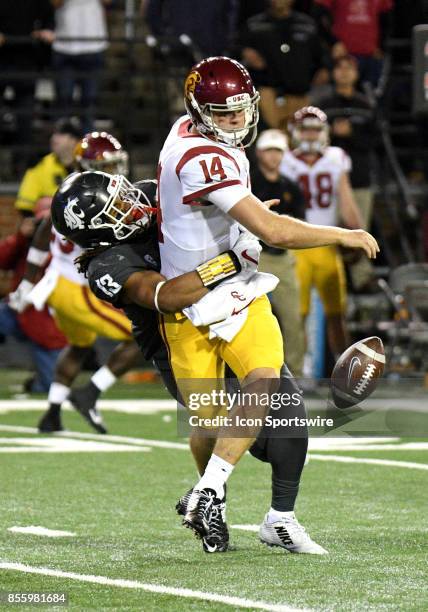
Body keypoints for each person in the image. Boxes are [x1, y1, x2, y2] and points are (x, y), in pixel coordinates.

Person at [156, 57, 378, 549]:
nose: (236, 120)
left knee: (264, 379)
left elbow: (210, 207)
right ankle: (213, 503)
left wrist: (239, 215)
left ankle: (211, 493)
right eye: (223, 112)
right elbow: (274, 232)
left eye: (241, 110)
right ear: (199, 109)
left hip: (239, 289)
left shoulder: (186, 131)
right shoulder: (202, 157)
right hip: (191, 299)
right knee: (209, 424)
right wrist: (342, 232)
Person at [49, 169, 322, 556]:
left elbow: (214, 204)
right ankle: (215, 502)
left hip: (232, 310)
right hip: (175, 338)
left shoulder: (148, 194)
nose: (133, 204)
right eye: (118, 207)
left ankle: (281, 518)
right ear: (98, 230)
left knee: (289, 417)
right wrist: (232, 259)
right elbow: (172, 295)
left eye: (124, 194)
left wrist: (247, 216)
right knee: (225, 427)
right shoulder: (106, 267)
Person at [10, 132, 139, 435]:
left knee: (79, 346)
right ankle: (89, 393)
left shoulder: (67, 190)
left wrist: (28, 285)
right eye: (108, 166)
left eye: (116, 164)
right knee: (141, 336)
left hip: (56, 284)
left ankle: (52, 414)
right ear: (88, 165)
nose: (115, 171)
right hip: (76, 289)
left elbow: (43, 232)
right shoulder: (93, 195)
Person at [280, 105, 363, 358]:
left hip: (328, 244)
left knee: (337, 313)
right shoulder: (284, 160)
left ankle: (344, 370)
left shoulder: (336, 157)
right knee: (297, 314)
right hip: (297, 244)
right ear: (296, 132)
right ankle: (293, 372)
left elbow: (346, 199)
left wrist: (359, 232)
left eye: (315, 131)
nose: (311, 136)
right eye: (305, 131)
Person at [316, 54, 376, 290]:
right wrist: (332, 132)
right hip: (328, 181)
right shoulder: (323, 105)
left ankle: (361, 280)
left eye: (348, 67)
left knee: (359, 229)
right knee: (329, 232)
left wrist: (351, 133)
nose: (343, 72)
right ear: (333, 72)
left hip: (358, 179)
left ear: (356, 73)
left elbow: (375, 142)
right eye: (339, 67)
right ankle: (329, 277)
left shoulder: (366, 105)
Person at [252, 129, 306, 376]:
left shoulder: (291, 187)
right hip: (253, 256)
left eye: (278, 151)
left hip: (283, 257)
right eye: (269, 151)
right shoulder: (248, 183)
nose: (274, 157)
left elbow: (299, 225)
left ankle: (296, 372)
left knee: (292, 319)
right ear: (259, 153)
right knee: (245, 318)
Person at [0, 199, 67, 392]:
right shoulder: (25, 245)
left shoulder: (64, 248)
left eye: (49, 224)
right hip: (17, 312)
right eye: (41, 224)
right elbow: (2, 259)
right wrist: (21, 237)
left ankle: (35, 383)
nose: (45, 229)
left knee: (47, 387)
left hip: (47, 323)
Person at [240, 0, 330, 130]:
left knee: (298, 138)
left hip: (300, 94)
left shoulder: (307, 24)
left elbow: (321, 55)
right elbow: (235, 49)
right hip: (266, 94)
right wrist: (244, 52)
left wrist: (324, 68)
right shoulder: (253, 24)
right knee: (271, 139)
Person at [0, 1, 55, 170]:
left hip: (27, 61)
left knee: (25, 117)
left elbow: (48, 21)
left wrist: (45, 32)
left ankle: (21, 165)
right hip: (2, 60)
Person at [51, 0, 112, 132]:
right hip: (64, 44)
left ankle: (87, 150)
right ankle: (63, 148)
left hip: (93, 45)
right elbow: (55, 3)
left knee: (89, 104)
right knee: (64, 101)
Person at [312, 0, 394, 88]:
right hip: (343, 56)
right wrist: (333, 42)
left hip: (371, 55)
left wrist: (381, 46)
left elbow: (387, 18)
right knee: (340, 96)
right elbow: (318, 16)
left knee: (371, 97)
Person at [15, 118, 82, 216]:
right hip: (49, 224)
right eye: (54, 134)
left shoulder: (88, 163)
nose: (54, 138)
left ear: (73, 140)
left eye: (60, 134)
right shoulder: (40, 165)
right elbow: (25, 204)